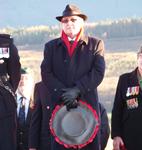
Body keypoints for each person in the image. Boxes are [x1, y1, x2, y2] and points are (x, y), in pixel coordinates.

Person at [29, 4, 105, 150]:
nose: (69, 23)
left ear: (82, 22)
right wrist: (64, 93)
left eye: (73, 19)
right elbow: (46, 72)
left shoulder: (96, 44)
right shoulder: (50, 47)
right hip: (60, 110)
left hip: (87, 111)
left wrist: (77, 90)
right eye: (65, 20)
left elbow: (98, 72)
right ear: (61, 24)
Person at [29, 82, 109, 150]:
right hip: (48, 145)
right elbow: (36, 120)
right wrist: (33, 147)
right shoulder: (41, 87)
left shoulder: (84, 85)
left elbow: (99, 126)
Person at [111, 41, 142, 150]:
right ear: (138, 57)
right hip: (129, 137)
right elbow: (117, 109)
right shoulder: (125, 79)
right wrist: (116, 135)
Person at [0, 34, 21, 150]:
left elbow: (15, 74)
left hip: (3, 102)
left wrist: (6, 92)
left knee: (6, 141)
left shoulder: (5, 44)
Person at [16, 68, 34, 150]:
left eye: (26, 78)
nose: (23, 81)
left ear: (32, 82)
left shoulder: (38, 103)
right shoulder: (8, 102)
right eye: (20, 78)